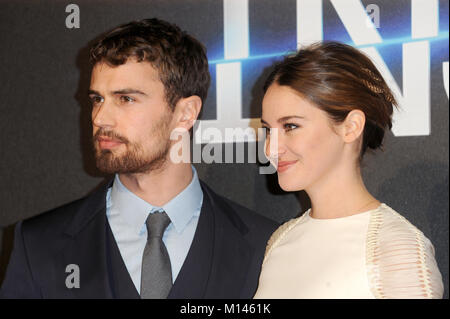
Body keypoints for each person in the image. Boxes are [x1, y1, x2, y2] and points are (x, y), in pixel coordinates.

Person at [0, 18, 278, 299]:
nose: (99, 118)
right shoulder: (39, 244)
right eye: (97, 99)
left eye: (126, 99)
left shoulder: (267, 246)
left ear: (186, 113)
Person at [254, 42, 444, 299]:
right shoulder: (280, 240)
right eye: (268, 129)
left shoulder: (396, 249)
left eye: (290, 126)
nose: (271, 149)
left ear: (351, 127)